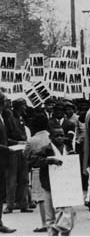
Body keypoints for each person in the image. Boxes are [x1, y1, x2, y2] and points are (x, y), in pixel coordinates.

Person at [29, 127, 76, 236]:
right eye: (57, 136)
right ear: (50, 137)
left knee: (69, 212)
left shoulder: (68, 148)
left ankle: (58, 228)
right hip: (49, 185)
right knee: (50, 216)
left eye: (61, 135)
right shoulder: (45, 149)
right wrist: (49, 160)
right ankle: (52, 232)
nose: (60, 138)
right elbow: (33, 160)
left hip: (65, 185)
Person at [3, 98, 31, 214]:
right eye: (23, 105)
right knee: (12, 179)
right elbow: (6, 138)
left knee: (24, 179)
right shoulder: (9, 119)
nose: (25, 108)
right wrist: (17, 142)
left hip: (22, 150)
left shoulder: (21, 119)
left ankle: (23, 204)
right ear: (18, 106)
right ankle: (9, 205)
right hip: (13, 151)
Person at [25, 112, 50, 233]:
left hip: (37, 170)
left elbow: (26, 155)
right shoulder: (52, 136)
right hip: (52, 168)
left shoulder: (32, 140)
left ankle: (45, 223)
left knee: (41, 198)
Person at [0, 91, 16, 233]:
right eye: (5, 101)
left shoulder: (3, 117)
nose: (8, 103)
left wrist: (16, 143)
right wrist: (7, 149)